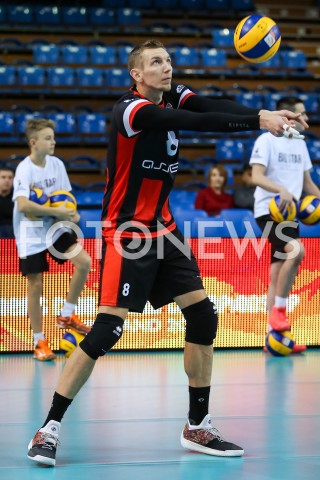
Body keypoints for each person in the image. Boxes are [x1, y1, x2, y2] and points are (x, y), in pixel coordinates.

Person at [27, 40, 308, 466]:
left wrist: (269, 114)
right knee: (106, 331)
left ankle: (198, 425)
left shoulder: (175, 94)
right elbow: (195, 121)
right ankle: (49, 427)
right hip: (128, 230)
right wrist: (257, 120)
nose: (167, 67)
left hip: (165, 229)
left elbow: (212, 103)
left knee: (203, 315)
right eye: (156, 62)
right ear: (136, 74)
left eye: (169, 60)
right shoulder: (132, 110)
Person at [13, 118, 92, 362]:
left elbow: (65, 197)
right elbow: (24, 205)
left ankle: (67, 314)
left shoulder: (56, 164)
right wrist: (60, 212)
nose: (53, 142)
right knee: (35, 286)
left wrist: (72, 213)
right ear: (33, 142)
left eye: (53, 137)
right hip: (30, 232)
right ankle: (40, 342)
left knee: (84, 262)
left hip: (54, 228)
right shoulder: (24, 169)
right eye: (48, 138)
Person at [249, 96, 320, 353]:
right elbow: (255, 176)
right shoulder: (266, 140)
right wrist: (281, 190)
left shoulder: (300, 146)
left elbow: (308, 185)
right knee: (297, 250)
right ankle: (279, 311)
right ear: (288, 116)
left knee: (277, 271)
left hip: (290, 214)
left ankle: (275, 339)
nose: (306, 120)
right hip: (270, 210)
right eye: (301, 114)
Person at [0, 167, 14, 238]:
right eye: (3, 177)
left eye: (10, 178)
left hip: (13, 232)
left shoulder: (18, 198)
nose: (7, 180)